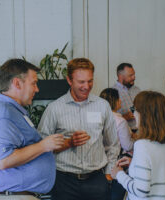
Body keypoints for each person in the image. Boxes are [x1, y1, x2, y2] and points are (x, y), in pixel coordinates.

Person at [38, 58, 120, 200]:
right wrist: (68, 142)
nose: (86, 86)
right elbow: (41, 146)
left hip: (97, 180)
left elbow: (112, 142)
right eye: (81, 82)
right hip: (64, 182)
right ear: (69, 80)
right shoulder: (54, 108)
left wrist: (108, 173)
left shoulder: (103, 106)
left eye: (90, 81)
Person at [0, 59, 64, 200]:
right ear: (17, 83)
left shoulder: (14, 111)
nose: (37, 89)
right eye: (33, 83)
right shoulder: (4, 113)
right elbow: (3, 160)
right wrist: (44, 146)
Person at [111, 91, 165, 200]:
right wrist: (135, 164)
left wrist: (119, 174)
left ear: (145, 115)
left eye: (135, 110)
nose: (133, 114)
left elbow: (141, 190)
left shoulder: (142, 145)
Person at [100, 88, 134, 200]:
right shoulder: (120, 121)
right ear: (115, 101)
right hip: (116, 165)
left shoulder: (98, 118)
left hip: (99, 165)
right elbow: (127, 145)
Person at [113, 63, 141, 128]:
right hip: (123, 133)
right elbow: (108, 119)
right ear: (120, 76)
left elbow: (134, 108)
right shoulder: (112, 92)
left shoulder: (137, 90)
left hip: (140, 132)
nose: (134, 77)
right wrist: (124, 117)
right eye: (131, 75)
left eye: (134, 74)